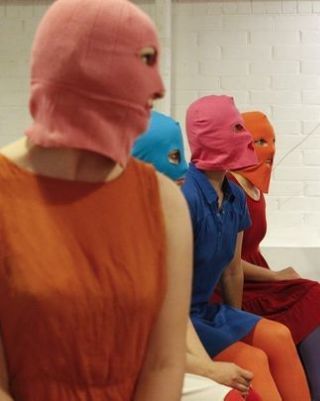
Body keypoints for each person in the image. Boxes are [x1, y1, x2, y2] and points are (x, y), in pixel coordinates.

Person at [0, 1, 191, 400]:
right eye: (145, 60)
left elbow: (164, 363)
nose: (158, 88)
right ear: (84, 65)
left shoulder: (164, 203)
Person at [182, 95, 311, 401]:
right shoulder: (186, 197)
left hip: (209, 312)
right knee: (253, 359)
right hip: (182, 318)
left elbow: (232, 270)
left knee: (279, 335)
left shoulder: (235, 196)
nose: (245, 137)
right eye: (236, 128)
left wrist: (234, 321)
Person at [133, 111, 262, 401]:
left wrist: (209, 369)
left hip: (170, 344)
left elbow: (174, 312)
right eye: (173, 157)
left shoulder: (169, 217)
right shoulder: (130, 232)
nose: (183, 168)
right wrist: (209, 370)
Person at [225, 111, 320, 401]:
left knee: (312, 294)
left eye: (274, 141)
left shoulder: (254, 189)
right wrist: (275, 276)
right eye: (261, 141)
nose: (271, 149)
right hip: (234, 286)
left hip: (255, 279)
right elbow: (229, 262)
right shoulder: (231, 188)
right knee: (310, 295)